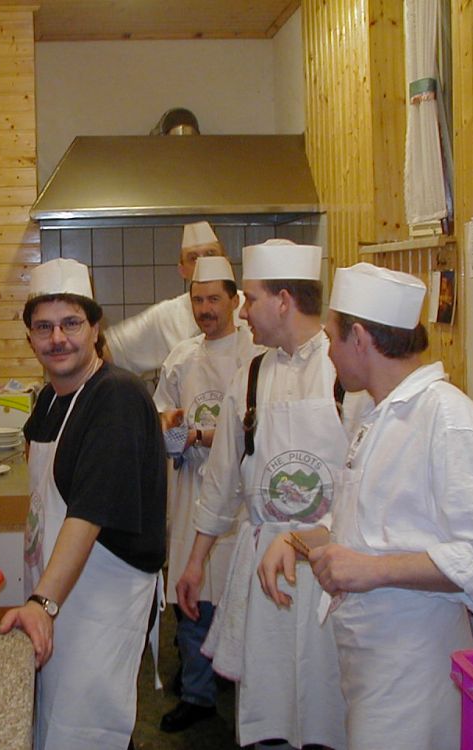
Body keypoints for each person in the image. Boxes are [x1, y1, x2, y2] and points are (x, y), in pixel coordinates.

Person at [258, 262, 473, 750]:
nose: (329, 353)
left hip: (415, 674)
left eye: (333, 339)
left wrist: (373, 571)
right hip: (369, 665)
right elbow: (363, 529)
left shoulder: (451, 422)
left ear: (359, 339)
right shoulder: (378, 415)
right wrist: (295, 539)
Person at [176, 240, 353, 749]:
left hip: (333, 572)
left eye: (250, 299)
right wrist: (195, 563)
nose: (243, 311)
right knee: (270, 707)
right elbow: (222, 480)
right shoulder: (251, 377)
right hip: (265, 572)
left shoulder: (346, 378)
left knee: (330, 704)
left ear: (283, 300)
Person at [0, 258, 167, 750]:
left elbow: (86, 515)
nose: (58, 339)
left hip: (101, 599)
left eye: (71, 323)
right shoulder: (49, 399)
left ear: (96, 328)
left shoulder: (116, 397)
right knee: (56, 719)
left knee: (88, 726)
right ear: (30, 337)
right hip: (60, 590)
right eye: (44, 327)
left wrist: (42, 603)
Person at [153, 256, 262, 733]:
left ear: (235, 300)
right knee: (192, 603)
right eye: (198, 300)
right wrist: (174, 430)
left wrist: (199, 435)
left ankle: (248, 697)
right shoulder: (181, 358)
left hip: (242, 499)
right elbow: (163, 425)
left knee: (242, 600)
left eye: (214, 299)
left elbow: (252, 431)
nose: (205, 309)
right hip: (192, 490)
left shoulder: (257, 354)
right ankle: (197, 693)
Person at [105, 220, 238, 375]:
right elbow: (110, 349)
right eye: (193, 258)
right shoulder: (167, 316)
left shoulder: (248, 307)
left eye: (210, 254)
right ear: (182, 270)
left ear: (226, 262)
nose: (203, 263)